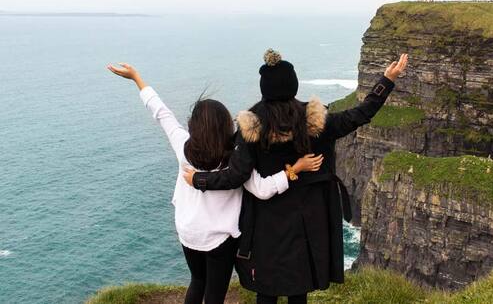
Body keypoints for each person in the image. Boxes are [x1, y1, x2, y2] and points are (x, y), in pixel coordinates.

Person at [183, 50, 409, 303]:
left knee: (266, 289)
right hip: (308, 215)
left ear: (264, 88)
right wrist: (386, 80)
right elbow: (360, 114)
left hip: (265, 221)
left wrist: (199, 181)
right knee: (298, 286)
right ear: (293, 84)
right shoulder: (316, 121)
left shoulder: (252, 128)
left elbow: (235, 176)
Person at [107, 63, 324, 304]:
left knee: (197, 281)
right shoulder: (235, 159)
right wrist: (295, 169)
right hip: (220, 239)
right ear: (225, 127)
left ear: (194, 126)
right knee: (214, 292)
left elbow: (161, 113)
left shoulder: (183, 146)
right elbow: (262, 190)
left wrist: (137, 78)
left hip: (188, 232)